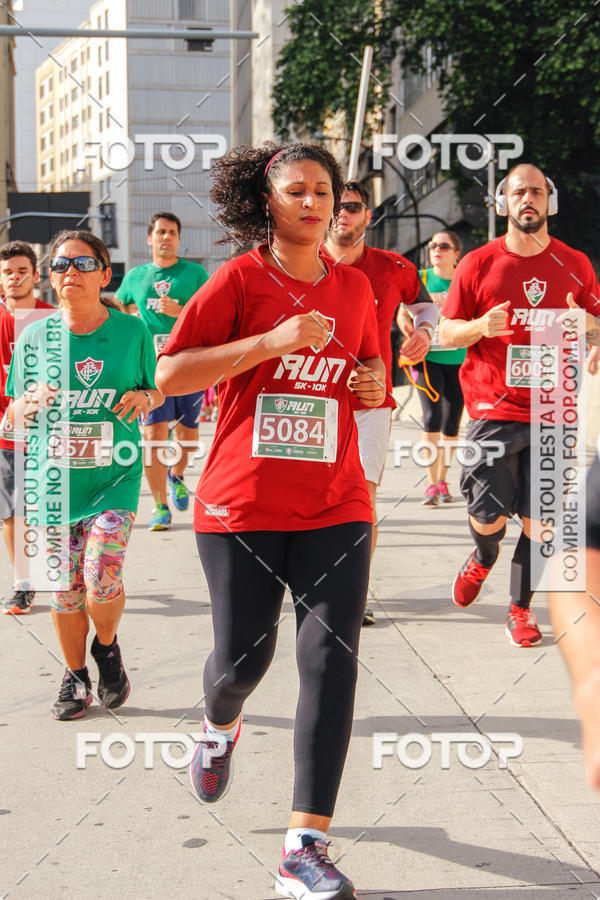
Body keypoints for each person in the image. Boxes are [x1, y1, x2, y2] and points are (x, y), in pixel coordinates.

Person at [156, 142, 386, 899]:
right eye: (297, 191)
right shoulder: (238, 279)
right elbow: (171, 374)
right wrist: (269, 342)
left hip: (336, 502)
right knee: (241, 665)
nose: (314, 203)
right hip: (240, 504)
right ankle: (220, 724)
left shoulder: (355, 290)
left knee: (330, 662)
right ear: (269, 200)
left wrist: (372, 381)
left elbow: (370, 387)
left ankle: (304, 846)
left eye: (325, 190)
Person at [439, 163, 600, 647]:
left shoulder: (575, 262)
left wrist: (589, 329)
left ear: (548, 201)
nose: (526, 199)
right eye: (517, 192)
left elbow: (596, 324)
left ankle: (520, 608)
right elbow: (447, 332)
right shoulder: (478, 264)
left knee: (542, 521)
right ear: (502, 203)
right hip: (492, 411)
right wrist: (479, 328)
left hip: (554, 409)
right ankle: (483, 556)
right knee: (486, 516)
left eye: (535, 191)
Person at [5, 230, 162, 719]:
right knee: (65, 589)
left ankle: (107, 648)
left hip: (113, 480)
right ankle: (75, 677)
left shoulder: (132, 333)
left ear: (105, 274)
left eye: (82, 264)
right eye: (59, 265)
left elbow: (154, 392)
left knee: (100, 576)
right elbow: (11, 417)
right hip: (53, 486)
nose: (68, 272)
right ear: (49, 279)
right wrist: (25, 407)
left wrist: (144, 398)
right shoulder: (34, 336)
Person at [323, 180, 438, 624]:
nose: (342, 215)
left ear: (368, 215)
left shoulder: (392, 266)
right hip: (311, 398)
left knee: (361, 498)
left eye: (352, 207)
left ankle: (355, 594)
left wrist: (424, 332)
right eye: (337, 206)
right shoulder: (302, 263)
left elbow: (424, 306)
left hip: (370, 402)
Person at [117, 212, 208, 530]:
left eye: (172, 232)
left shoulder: (195, 274)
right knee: (154, 436)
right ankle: (159, 506)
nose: (166, 237)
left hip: (187, 366)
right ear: (150, 238)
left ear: (179, 238)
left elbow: (212, 316)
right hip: (149, 370)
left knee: (188, 437)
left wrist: (181, 311)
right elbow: (119, 309)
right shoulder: (135, 277)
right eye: (160, 232)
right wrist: (132, 322)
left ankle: (177, 475)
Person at [0, 241, 54, 615]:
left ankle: (71, 573)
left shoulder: (54, 318)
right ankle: (24, 584)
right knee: (11, 511)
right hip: (6, 433)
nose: (15, 277)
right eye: (7, 272)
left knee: (53, 511)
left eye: (22, 270)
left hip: (51, 434)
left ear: (35, 275)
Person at [397, 231, 465, 505]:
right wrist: (412, 332)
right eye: (433, 245)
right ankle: (431, 483)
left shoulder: (463, 281)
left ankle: (443, 479)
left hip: (459, 359)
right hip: (427, 359)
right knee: (432, 416)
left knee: (452, 422)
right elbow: (403, 313)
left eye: (444, 246)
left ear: (456, 253)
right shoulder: (422, 278)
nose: (436, 250)